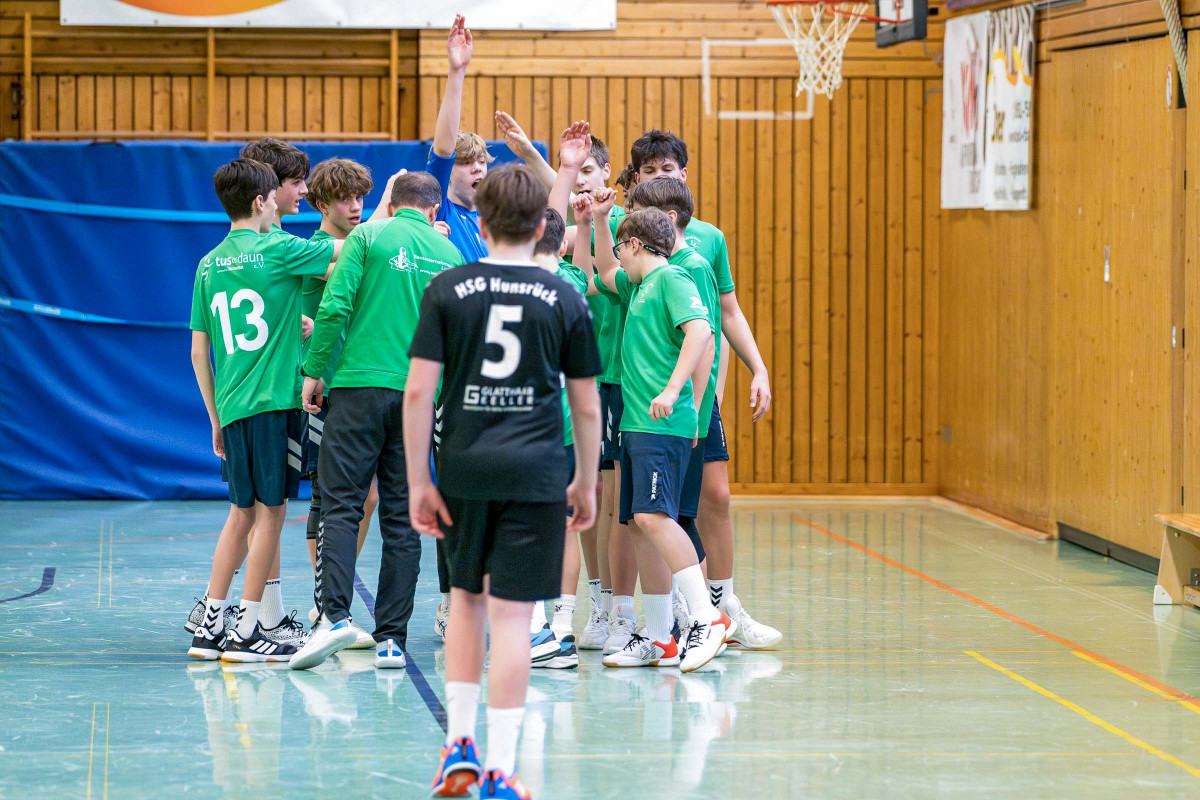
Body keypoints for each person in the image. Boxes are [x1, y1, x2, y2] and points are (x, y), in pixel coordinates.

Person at [405, 165, 601, 799]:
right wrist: (585, 480)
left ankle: (458, 746)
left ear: (481, 223)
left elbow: (418, 393)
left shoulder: (448, 289)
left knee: (466, 602)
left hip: (464, 467)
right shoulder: (564, 296)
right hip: (537, 471)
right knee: (514, 620)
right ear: (543, 226)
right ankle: (501, 769)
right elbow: (587, 404)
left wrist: (418, 479)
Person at [288, 172, 465, 672]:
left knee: (341, 506)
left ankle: (335, 617)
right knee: (403, 520)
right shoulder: (451, 255)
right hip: (419, 399)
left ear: (393, 205)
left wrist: (313, 371)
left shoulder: (367, 236)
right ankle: (392, 641)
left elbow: (335, 306)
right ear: (433, 211)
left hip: (359, 388)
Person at [628, 131, 781, 648]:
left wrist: (758, 368)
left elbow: (726, 314)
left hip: (698, 393)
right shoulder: (632, 240)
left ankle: (723, 604)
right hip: (651, 395)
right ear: (636, 180)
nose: (659, 177)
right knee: (659, 508)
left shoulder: (707, 240)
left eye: (667, 168)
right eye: (649, 171)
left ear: (684, 175)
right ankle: (676, 613)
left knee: (715, 494)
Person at [187, 158, 341, 662]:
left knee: (241, 513)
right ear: (260, 201)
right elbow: (344, 249)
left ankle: (211, 624)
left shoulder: (208, 264)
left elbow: (199, 352)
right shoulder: (278, 249)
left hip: (232, 407)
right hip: (274, 404)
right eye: (275, 195)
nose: (280, 203)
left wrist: (215, 418)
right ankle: (250, 628)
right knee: (272, 514)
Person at [589, 199, 731, 672]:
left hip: (661, 424)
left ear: (634, 244)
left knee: (654, 517)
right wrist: (597, 219)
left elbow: (701, 332)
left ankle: (707, 618)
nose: (618, 259)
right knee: (638, 524)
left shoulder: (672, 278)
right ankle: (658, 638)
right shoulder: (639, 286)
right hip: (635, 423)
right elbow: (604, 269)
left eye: (621, 249)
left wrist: (674, 390)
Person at [299, 157, 378, 649]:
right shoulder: (315, 249)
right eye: (344, 199)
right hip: (320, 389)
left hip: (352, 384)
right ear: (321, 204)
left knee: (364, 497)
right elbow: (350, 265)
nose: (355, 206)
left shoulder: (363, 242)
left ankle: (330, 594)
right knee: (327, 496)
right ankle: (327, 603)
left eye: (361, 198)